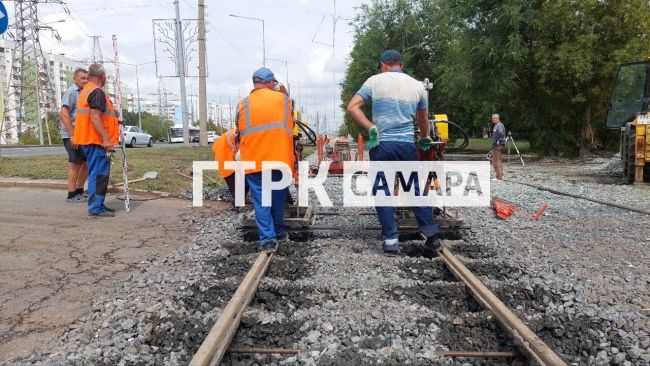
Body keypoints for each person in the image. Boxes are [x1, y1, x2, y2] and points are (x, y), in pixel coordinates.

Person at [347, 49, 440, 254]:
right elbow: (423, 118)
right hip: (407, 146)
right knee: (415, 189)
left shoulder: (374, 81)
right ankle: (432, 236)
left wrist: (371, 127)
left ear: (383, 65)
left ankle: (391, 241)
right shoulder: (418, 86)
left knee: (383, 191)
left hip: (382, 145)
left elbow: (352, 106)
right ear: (402, 65)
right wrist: (424, 136)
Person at [237, 68, 295, 252]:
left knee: (261, 201)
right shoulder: (284, 100)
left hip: (254, 160)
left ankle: (267, 240)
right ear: (271, 83)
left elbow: (239, 130)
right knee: (277, 199)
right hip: (279, 158)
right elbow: (291, 117)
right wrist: (283, 91)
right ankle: (279, 232)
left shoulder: (242, 104)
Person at [73, 64, 119, 217]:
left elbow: (96, 116)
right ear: (103, 77)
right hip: (96, 141)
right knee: (99, 175)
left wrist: (115, 122)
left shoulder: (86, 90)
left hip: (89, 139)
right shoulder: (97, 92)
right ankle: (95, 208)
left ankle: (98, 204)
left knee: (97, 174)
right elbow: (94, 117)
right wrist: (106, 139)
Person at [59, 68, 89, 202]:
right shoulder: (71, 92)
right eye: (82, 78)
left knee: (85, 163)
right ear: (75, 79)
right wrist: (72, 135)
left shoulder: (84, 92)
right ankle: (71, 194)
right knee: (76, 164)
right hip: (72, 135)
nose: (85, 80)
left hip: (82, 135)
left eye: (87, 78)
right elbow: (64, 114)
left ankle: (79, 190)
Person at [212, 127, 249, 202]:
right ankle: (239, 202)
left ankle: (241, 199)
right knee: (235, 181)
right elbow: (239, 154)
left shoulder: (241, 133)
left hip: (226, 155)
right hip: (226, 158)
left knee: (244, 180)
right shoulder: (242, 135)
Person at [491, 113, 506, 180]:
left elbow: (500, 134)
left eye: (494, 118)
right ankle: (501, 175)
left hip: (497, 145)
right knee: (499, 160)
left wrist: (495, 143)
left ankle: (499, 177)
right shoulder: (497, 125)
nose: (493, 119)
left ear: (498, 118)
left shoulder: (499, 125)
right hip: (500, 144)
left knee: (495, 161)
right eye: (492, 118)